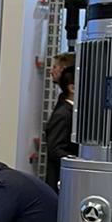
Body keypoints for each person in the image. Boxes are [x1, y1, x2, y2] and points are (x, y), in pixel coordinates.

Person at [44, 63, 74, 191]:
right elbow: (55, 149)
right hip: (60, 181)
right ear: (72, 88)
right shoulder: (63, 114)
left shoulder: (70, 111)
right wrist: (77, 160)